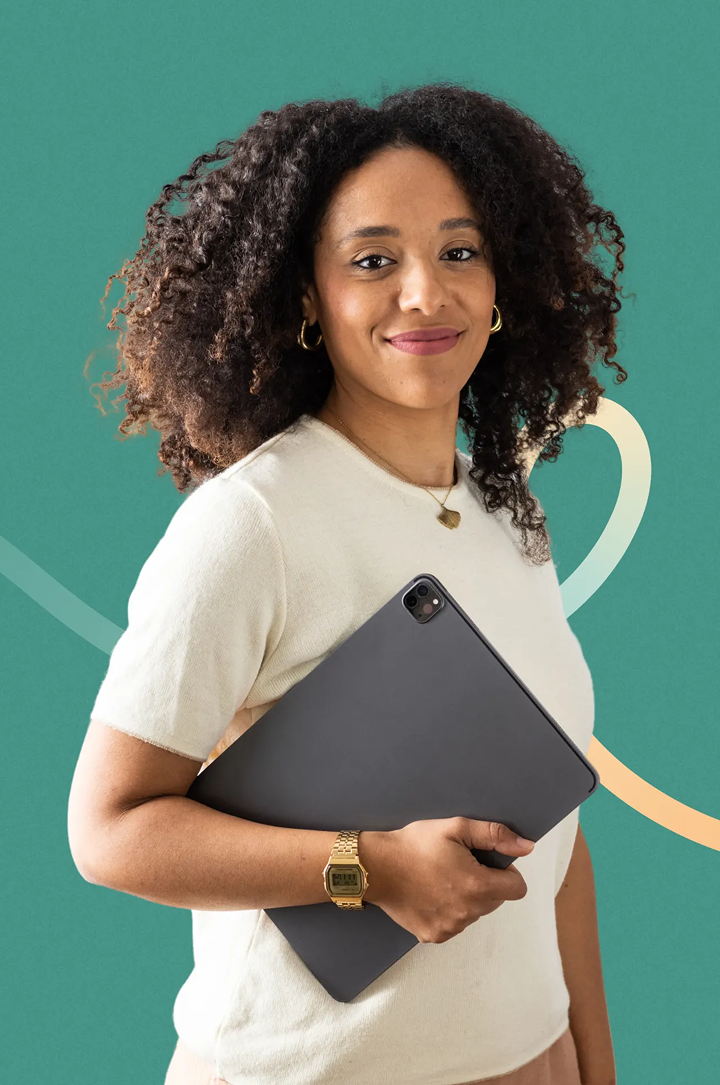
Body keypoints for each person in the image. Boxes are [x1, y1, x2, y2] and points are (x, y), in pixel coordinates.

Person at [68, 82, 623, 1085]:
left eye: (460, 250)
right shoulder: (253, 525)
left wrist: (592, 1059)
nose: (426, 292)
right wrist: (368, 866)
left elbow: (559, 841)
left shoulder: (512, 518)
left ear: (503, 279)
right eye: (375, 260)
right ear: (308, 298)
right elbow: (108, 830)